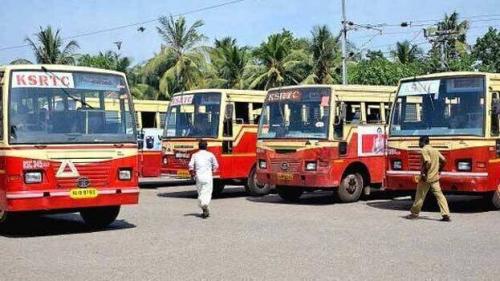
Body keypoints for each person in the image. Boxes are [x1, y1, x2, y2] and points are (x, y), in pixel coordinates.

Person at [406, 136, 451, 221]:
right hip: (435, 178)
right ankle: (446, 214)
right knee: (440, 196)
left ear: (423, 142)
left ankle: (414, 213)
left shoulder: (424, 150)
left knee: (420, 195)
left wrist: (423, 173)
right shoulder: (435, 150)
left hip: (426, 178)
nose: (419, 144)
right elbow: (444, 160)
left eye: (419, 142)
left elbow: (427, 162)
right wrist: (439, 170)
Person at [188, 140, 219, 219]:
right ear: (206, 146)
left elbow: (190, 166)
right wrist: (213, 171)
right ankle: (204, 205)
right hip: (208, 177)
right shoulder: (210, 155)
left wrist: (192, 174)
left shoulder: (195, 155)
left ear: (198, 146)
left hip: (199, 177)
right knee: (207, 192)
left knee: (201, 192)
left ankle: (204, 208)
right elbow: (216, 165)